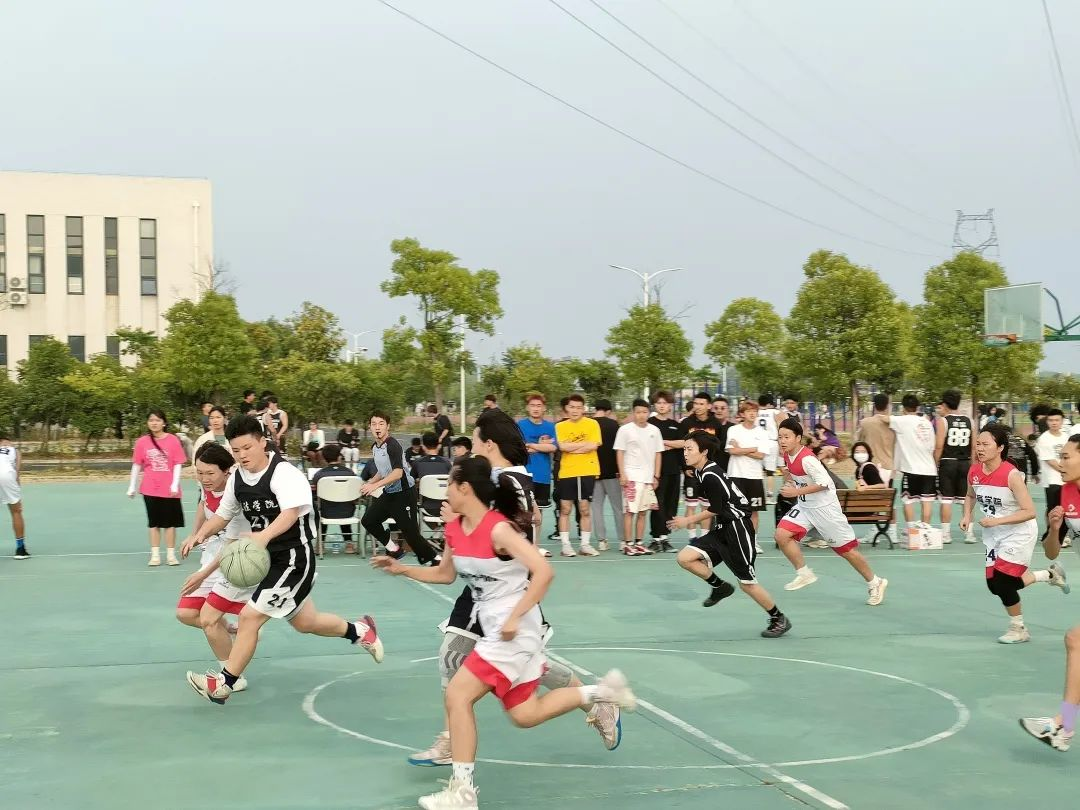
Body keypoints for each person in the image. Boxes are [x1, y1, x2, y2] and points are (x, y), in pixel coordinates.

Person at [372, 456, 636, 809]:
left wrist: (515, 616)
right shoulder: (455, 528)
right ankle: (602, 692)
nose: (445, 491)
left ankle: (462, 793)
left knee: (458, 695)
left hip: (515, 630)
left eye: (450, 484)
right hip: (496, 628)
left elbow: (543, 571)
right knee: (524, 715)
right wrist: (401, 569)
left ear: (465, 488)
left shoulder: (498, 530)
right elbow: (444, 575)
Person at [407, 409, 620, 766]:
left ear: (489, 443)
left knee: (454, 657)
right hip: (485, 581)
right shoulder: (500, 479)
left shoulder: (508, 481)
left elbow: (513, 533)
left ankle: (452, 743)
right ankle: (596, 700)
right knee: (517, 665)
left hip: (503, 587)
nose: (472, 446)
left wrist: (459, 519)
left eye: (475, 439)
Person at [182, 416, 384, 704]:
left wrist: (263, 537)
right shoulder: (237, 478)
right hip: (264, 558)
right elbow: (223, 516)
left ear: (262, 442)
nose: (242, 455)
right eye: (236, 450)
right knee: (305, 622)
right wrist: (200, 534)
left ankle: (224, 683)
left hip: (293, 558)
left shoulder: (284, 473)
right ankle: (359, 631)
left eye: (247, 448)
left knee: (250, 617)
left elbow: (290, 514)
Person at [668, 432, 791, 638]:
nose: (685, 453)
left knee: (747, 584)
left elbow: (715, 508)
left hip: (738, 529)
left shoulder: (710, 475)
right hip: (723, 527)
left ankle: (779, 618)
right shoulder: (701, 470)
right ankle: (720, 587)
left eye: (690, 449)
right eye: (684, 449)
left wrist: (686, 521)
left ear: (704, 452)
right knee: (685, 558)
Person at [960, 423, 1069, 644]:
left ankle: (1018, 628)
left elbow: (1029, 511)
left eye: (985, 444)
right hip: (994, 534)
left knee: (1003, 582)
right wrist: (966, 515)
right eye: (978, 444)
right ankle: (1049, 575)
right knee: (994, 585)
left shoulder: (1011, 475)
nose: (979, 448)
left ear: (1000, 447)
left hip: (1019, 532)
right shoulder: (975, 471)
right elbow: (970, 495)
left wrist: (997, 521)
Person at [773, 419, 889, 605]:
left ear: (798, 438)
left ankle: (876, 582)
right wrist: (790, 481)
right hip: (805, 507)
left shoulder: (808, 459)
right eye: (780, 437)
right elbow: (800, 479)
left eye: (787, 437)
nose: (782, 441)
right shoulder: (787, 455)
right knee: (781, 535)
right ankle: (804, 574)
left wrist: (795, 492)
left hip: (825, 510)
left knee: (846, 551)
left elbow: (825, 483)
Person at [175, 443, 255, 686]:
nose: (204, 478)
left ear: (226, 470)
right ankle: (231, 631)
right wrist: (194, 534)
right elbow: (203, 504)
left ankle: (231, 677)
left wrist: (201, 574)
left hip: (235, 562)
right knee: (186, 613)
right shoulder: (206, 484)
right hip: (211, 556)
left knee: (209, 619)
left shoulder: (236, 496)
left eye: (210, 473)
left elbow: (230, 547)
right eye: (199, 472)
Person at [1020, 434, 1080, 751]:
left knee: (1076, 640)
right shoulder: (1066, 493)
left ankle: (1062, 726)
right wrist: (1055, 529)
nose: (1060, 463)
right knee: (1075, 641)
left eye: (1066, 457)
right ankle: (1063, 726)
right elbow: (1052, 553)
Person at [360, 411, 439, 565]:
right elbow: (383, 471)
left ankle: (436, 559)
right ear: (370, 427)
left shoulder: (392, 445)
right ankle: (394, 549)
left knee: (411, 535)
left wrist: (374, 486)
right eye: (374, 424)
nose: (377, 427)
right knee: (369, 521)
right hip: (389, 494)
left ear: (387, 426)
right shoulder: (375, 447)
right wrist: (370, 482)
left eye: (381, 424)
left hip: (404, 494)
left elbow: (397, 473)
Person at [128, 410, 186, 567]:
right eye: (151, 420)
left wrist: (174, 484)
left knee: (170, 523)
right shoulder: (142, 442)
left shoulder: (173, 440)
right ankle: (155, 555)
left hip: (169, 490)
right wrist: (132, 486)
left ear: (164, 423)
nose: (154, 423)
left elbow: (178, 463)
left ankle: (170, 555)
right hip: (150, 488)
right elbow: (137, 465)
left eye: (158, 420)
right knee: (154, 523)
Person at [613, 399, 663, 555]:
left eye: (644, 412)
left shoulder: (655, 430)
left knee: (643, 512)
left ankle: (639, 543)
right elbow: (620, 452)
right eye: (638, 412)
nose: (641, 415)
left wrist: (656, 476)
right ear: (633, 413)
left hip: (648, 478)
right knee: (630, 511)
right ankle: (628, 544)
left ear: (649, 413)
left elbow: (658, 453)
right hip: (631, 477)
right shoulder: (625, 430)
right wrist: (623, 474)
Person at [554, 394, 601, 558]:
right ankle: (565, 545)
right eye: (572, 407)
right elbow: (562, 446)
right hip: (567, 472)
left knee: (584, 509)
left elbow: (593, 445)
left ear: (583, 409)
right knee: (565, 509)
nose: (575, 410)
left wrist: (573, 447)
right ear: (566, 408)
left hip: (587, 471)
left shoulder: (592, 424)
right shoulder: (560, 426)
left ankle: (585, 545)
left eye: (579, 407)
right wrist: (583, 446)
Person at [676, 392, 724, 540]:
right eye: (696, 403)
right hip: (691, 473)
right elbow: (681, 447)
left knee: (706, 506)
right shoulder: (686, 423)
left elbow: (718, 448)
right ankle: (692, 538)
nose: (697, 406)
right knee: (691, 506)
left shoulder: (716, 424)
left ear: (709, 406)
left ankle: (704, 538)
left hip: (707, 473)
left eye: (701, 404)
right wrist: (685, 467)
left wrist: (713, 468)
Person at [888, 395, 937, 531]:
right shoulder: (927, 422)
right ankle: (925, 529)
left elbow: (883, 418)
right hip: (929, 468)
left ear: (903, 408)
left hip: (911, 469)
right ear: (917, 407)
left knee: (908, 500)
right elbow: (932, 446)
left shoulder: (901, 420)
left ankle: (911, 531)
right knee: (926, 501)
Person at [725, 400, 769, 551]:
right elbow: (732, 451)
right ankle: (736, 541)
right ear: (742, 414)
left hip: (755, 477)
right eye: (748, 411)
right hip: (735, 475)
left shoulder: (762, 433)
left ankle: (753, 542)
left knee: (753, 512)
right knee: (735, 511)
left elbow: (761, 455)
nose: (752, 413)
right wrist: (751, 449)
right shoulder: (733, 430)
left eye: (754, 411)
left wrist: (741, 449)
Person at [933, 389, 975, 544]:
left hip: (948, 462)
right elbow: (974, 446)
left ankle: (946, 535)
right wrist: (973, 465)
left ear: (944, 404)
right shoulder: (970, 421)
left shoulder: (943, 421)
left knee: (946, 500)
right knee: (966, 500)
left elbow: (939, 445)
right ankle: (969, 533)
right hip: (965, 462)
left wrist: (935, 462)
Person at [647, 390, 683, 553]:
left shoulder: (676, 425)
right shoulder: (649, 423)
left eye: (665, 403)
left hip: (673, 470)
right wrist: (665, 445)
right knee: (657, 505)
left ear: (670, 405)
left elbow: (683, 443)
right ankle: (655, 538)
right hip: (655, 472)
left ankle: (665, 538)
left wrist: (666, 442)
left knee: (670, 506)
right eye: (659, 403)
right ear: (655, 405)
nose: (662, 406)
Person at [591, 399, 626, 553]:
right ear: (609, 411)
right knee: (618, 508)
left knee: (596, 508)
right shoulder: (614, 425)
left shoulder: (589, 424)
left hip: (593, 471)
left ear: (596, 409)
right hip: (612, 472)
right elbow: (619, 450)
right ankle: (623, 540)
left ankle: (601, 541)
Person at [312, 444, 360, 553]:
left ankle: (320, 545)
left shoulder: (319, 475)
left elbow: (315, 495)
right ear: (339, 457)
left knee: (323, 506)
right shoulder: (350, 473)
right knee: (343, 503)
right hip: (347, 512)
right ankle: (349, 544)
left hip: (326, 512)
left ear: (324, 458)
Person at [1036, 409, 1071, 549]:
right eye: (1051, 420)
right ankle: (1052, 535)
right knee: (1053, 509)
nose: (1054, 423)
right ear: (1047, 422)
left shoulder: (1066, 437)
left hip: (1067, 480)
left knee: (1067, 508)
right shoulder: (1044, 439)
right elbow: (1050, 461)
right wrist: (1066, 471)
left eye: (1057, 420)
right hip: (1052, 480)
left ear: (1062, 421)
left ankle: (1061, 534)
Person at [518, 393, 557, 509]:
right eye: (532, 405)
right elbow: (520, 447)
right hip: (524, 475)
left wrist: (532, 445)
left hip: (543, 476)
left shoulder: (550, 427)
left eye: (539, 405)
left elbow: (553, 447)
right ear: (527, 407)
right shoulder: (520, 425)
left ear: (544, 408)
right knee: (524, 511)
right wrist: (541, 446)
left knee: (539, 512)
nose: (535, 408)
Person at [411, 432, 454, 518]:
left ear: (423, 446)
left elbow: (410, 482)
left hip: (426, 507)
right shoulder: (447, 463)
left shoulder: (418, 463)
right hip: (446, 507)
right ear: (438, 446)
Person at [0, 433, 28, 559]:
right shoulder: (15, 450)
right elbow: (17, 473)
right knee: (16, 511)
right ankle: (20, 550)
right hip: (7, 475)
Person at [756, 394, 782, 502]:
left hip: (758, 443)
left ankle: (758, 496)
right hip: (771, 443)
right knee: (770, 472)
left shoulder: (755, 412)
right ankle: (769, 497)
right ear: (769, 403)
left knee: (757, 471)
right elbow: (780, 427)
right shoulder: (775, 412)